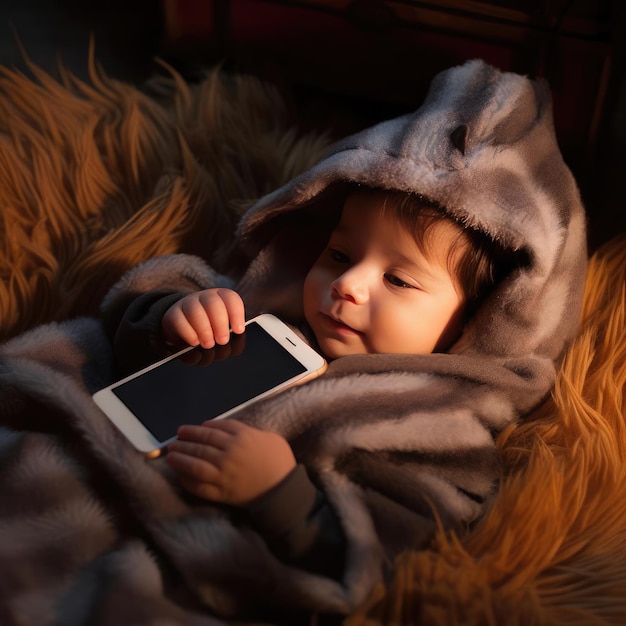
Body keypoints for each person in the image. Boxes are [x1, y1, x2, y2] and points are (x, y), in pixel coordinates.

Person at [101, 59, 587, 611]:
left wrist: (280, 494)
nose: (348, 284)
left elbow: (399, 548)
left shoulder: (438, 427)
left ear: (479, 322)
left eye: (399, 278)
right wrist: (170, 318)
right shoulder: (266, 316)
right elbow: (118, 338)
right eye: (338, 254)